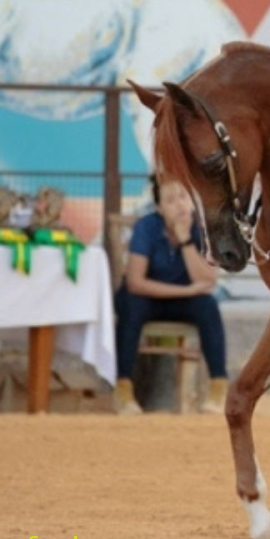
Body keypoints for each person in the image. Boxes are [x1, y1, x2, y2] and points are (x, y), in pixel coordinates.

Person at [113, 175, 228, 415]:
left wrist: (185, 239)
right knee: (130, 306)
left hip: (183, 302)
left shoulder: (200, 228)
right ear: (159, 207)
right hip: (147, 297)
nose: (179, 205)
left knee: (207, 307)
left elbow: (208, 280)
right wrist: (185, 290)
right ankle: (123, 390)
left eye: (183, 197)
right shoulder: (147, 226)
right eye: (170, 200)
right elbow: (135, 282)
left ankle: (219, 388)